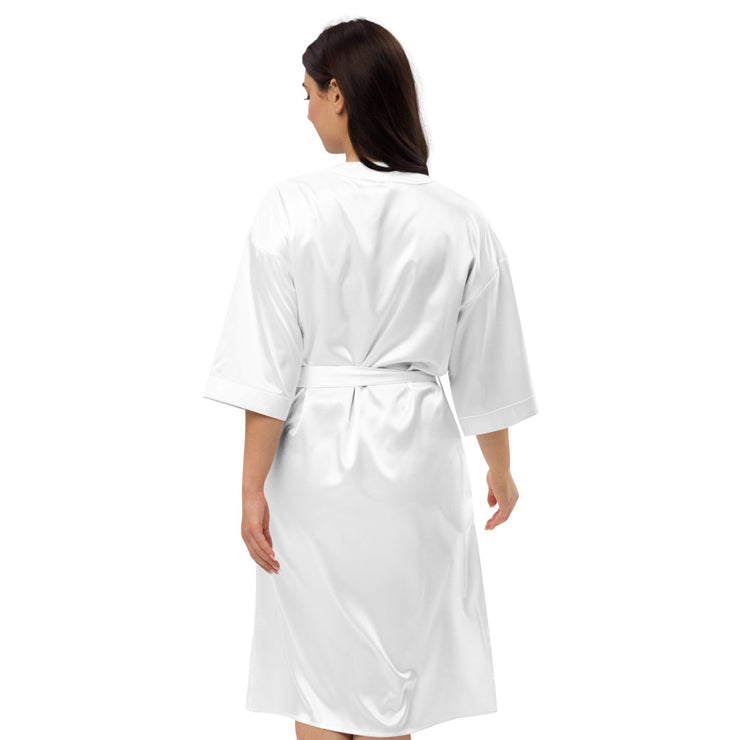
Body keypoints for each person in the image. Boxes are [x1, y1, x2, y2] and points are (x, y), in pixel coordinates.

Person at [202, 17, 538, 740]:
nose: (307, 112)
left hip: (315, 464)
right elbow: (487, 369)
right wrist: (501, 470)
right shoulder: (460, 219)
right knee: (395, 679)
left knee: (319, 676)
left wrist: (250, 489)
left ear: (339, 93)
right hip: (417, 464)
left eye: (308, 94)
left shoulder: (291, 206)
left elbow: (268, 367)